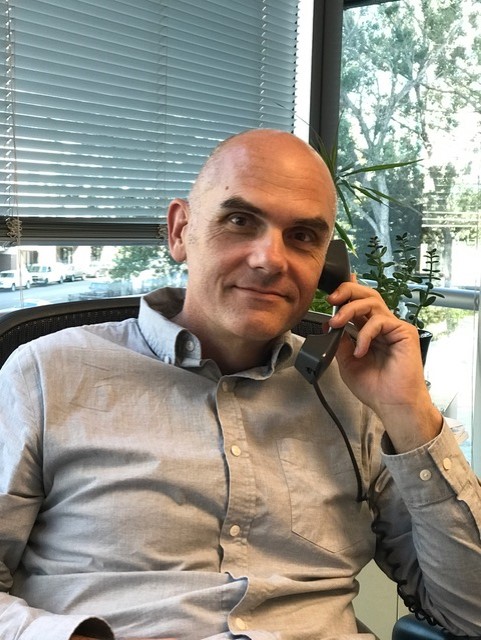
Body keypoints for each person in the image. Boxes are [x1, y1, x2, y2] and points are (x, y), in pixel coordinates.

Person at [0, 129, 480, 640]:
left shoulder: (354, 395)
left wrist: (409, 411)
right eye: (239, 220)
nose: (270, 259)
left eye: (302, 236)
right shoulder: (46, 375)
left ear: (327, 264)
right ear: (180, 230)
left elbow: (469, 614)